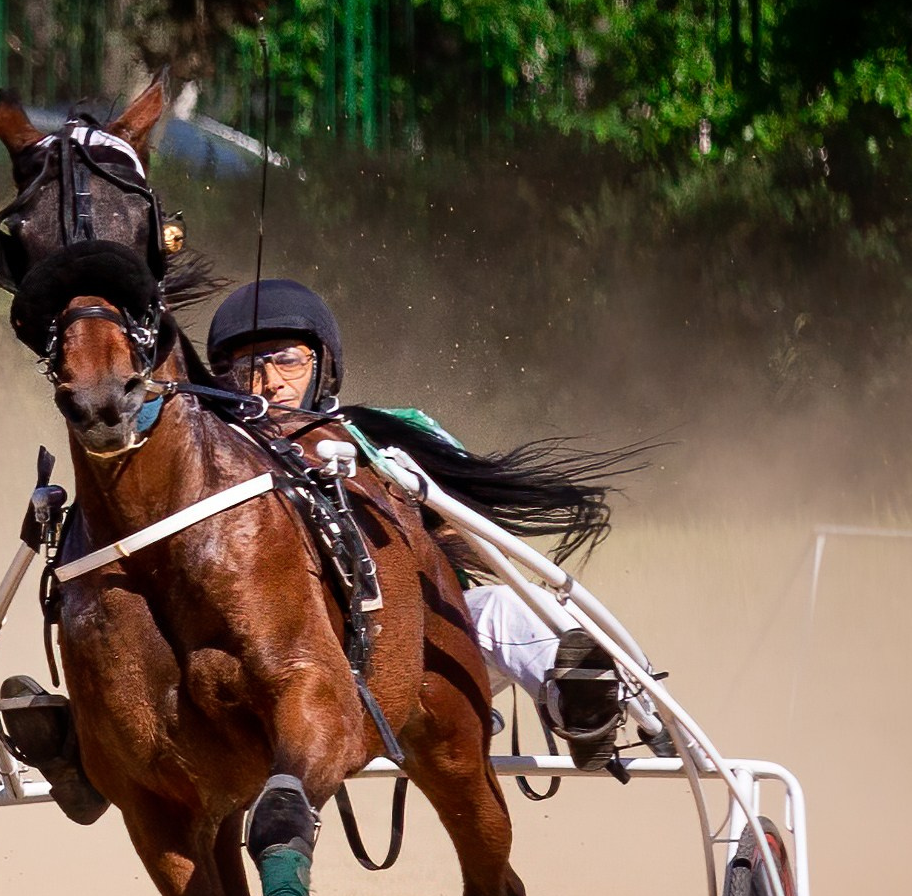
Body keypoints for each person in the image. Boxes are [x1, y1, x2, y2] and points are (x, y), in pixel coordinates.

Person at [204, 279, 629, 770]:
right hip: (273, 665)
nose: (271, 381)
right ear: (223, 380)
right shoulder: (216, 460)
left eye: (288, 360)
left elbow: (477, 533)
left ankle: (586, 708)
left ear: (324, 365)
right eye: (250, 366)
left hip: (415, 644)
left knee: (507, 607)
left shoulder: (388, 433)